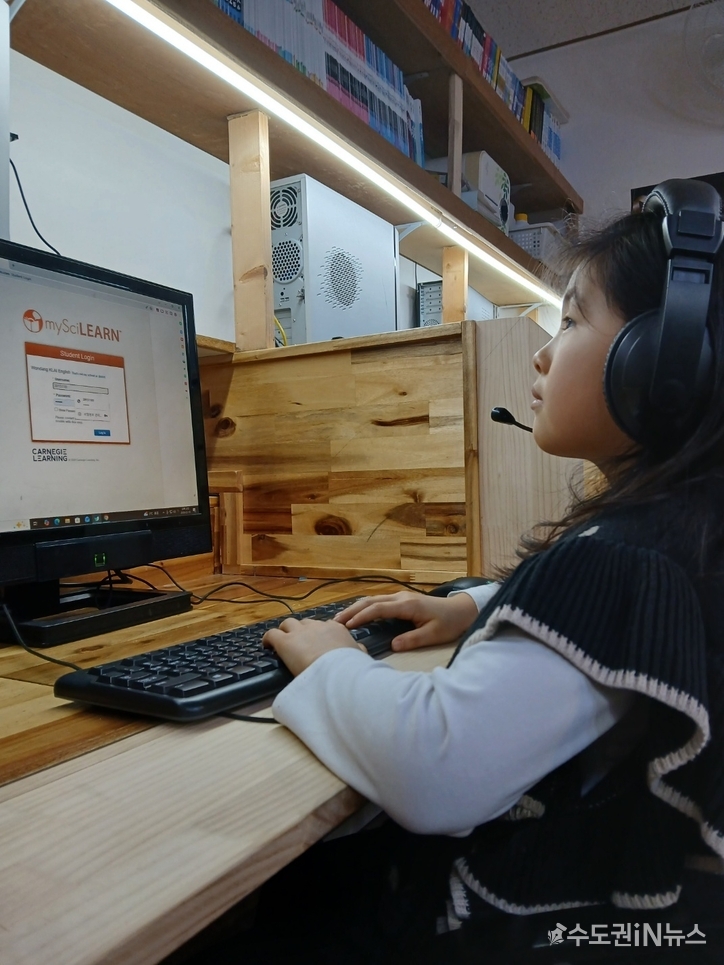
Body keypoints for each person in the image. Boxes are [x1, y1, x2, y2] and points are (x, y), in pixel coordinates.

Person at [192, 183, 724, 964]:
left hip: (523, 928)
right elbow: (623, 627)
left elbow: (436, 768)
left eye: (571, 321)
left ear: (663, 365)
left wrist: (332, 662)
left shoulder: (625, 555)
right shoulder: (685, 532)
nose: (542, 353)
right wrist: (474, 606)